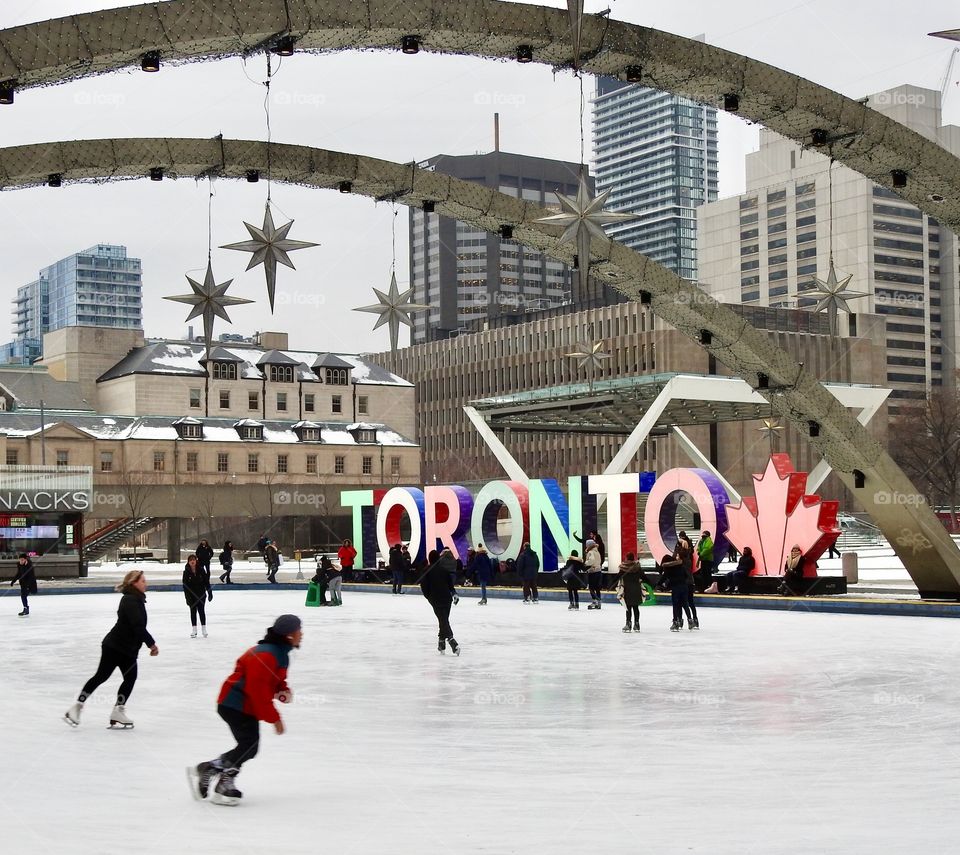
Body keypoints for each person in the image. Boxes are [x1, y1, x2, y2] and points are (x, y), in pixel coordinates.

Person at [188, 614, 302, 805]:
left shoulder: (279, 653)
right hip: (235, 704)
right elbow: (257, 691)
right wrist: (275, 718)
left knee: (248, 746)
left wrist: (283, 690)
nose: (302, 634)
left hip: (242, 705)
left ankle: (214, 771)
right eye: (299, 630)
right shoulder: (267, 654)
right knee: (249, 745)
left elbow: (273, 680)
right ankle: (216, 775)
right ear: (289, 635)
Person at [64, 569, 159, 729]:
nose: (145, 583)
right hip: (115, 647)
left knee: (129, 678)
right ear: (133, 583)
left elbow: (137, 627)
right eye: (143, 581)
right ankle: (77, 708)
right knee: (101, 676)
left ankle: (117, 711)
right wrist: (151, 644)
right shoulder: (130, 600)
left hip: (126, 649)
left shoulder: (135, 599)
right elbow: (138, 626)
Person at [420, 548, 460, 655]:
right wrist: (454, 594)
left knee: (443, 620)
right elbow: (450, 585)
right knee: (443, 620)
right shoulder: (444, 570)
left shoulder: (426, 571)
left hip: (436, 600)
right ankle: (441, 643)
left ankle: (452, 642)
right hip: (447, 599)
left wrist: (429, 597)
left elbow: (424, 587)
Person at [183, 553, 212, 637]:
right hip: (191, 596)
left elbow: (206, 582)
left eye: (193, 560)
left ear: (196, 561)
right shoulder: (186, 572)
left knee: (201, 611)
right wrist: (187, 598)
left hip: (201, 594)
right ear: (188, 562)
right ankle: (194, 630)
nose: (192, 561)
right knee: (193, 612)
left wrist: (209, 593)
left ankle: (204, 629)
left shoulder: (201, 570)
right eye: (190, 560)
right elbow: (185, 586)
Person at [658, 554, 688, 632]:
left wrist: (659, 584)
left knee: (675, 605)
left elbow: (664, 577)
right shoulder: (680, 565)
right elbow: (686, 575)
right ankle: (689, 620)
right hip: (684, 587)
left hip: (676, 588)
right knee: (684, 604)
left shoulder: (669, 568)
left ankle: (675, 622)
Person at [674, 532, 698, 629]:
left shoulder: (680, 560)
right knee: (690, 602)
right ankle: (694, 619)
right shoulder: (688, 558)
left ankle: (680, 620)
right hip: (690, 582)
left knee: (681, 602)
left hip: (683, 583)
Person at [618, 552, 647, 632]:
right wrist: (653, 585)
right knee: (635, 607)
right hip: (636, 589)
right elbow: (644, 577)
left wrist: (609, 586)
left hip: (627, 589)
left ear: (627, 558)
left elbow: (617, 577)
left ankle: (628, 623)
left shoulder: (623, 568)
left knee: (628, 608)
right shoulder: (637, 567)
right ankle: (637, 624)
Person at [10, 552, 36, 617]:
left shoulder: (29, 565)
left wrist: (28, 586)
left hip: (30, 583)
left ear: (25, 559)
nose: (21, 561)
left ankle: (26, 608)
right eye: (20, 559)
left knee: (23, 595)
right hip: (23, 583)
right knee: (23, 595)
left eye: (22, 560)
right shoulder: (19, 565)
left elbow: (31, 577)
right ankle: (26, 608)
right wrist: (13, 581)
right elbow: (19, 573)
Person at [584, 539, 603, 609]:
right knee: (597, 588)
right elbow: (599, 561)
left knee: (591, 588)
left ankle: (594, 601)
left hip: (593, 571)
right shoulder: (597, 551)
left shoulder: (591, 552)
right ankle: (599, 602)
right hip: (598, 571)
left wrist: (586, 563)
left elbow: (591, 560)